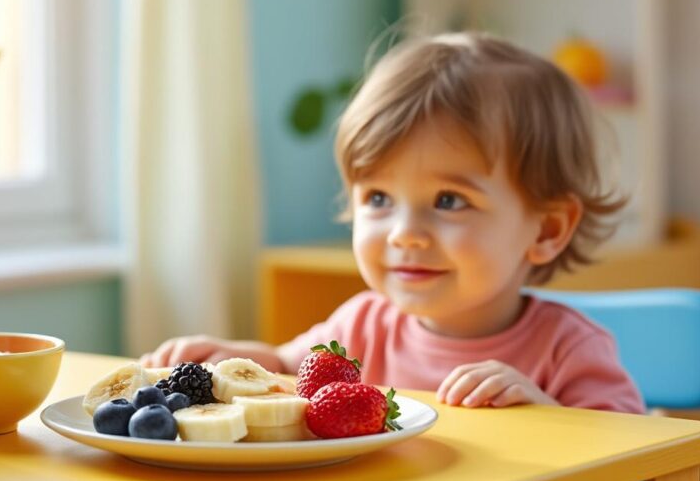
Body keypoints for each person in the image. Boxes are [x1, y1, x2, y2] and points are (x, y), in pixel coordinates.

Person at [140, 32, 645, 414]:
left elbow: (635, 467)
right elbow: (288, 368)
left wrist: (550, 420)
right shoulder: (361, 325)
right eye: (379, 197)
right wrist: (237, 357)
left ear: (547, 230)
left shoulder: (570, 351)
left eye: (449, 200)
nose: (405, 232)